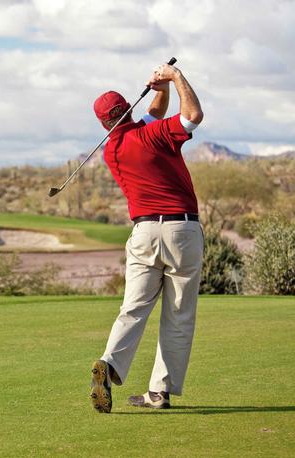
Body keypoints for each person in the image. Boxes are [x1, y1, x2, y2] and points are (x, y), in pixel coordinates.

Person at [89, 62, 204, 413]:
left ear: (105, 124)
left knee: (133, 309)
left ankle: (109, 364)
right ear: (128, 108)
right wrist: (175, 77)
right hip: (181, 231)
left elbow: (152, 117)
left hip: (144, 234)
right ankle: (160, 392)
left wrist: (160, 90)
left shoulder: (114, 148)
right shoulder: (155, 135)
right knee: (178, 314)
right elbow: (193, 115)